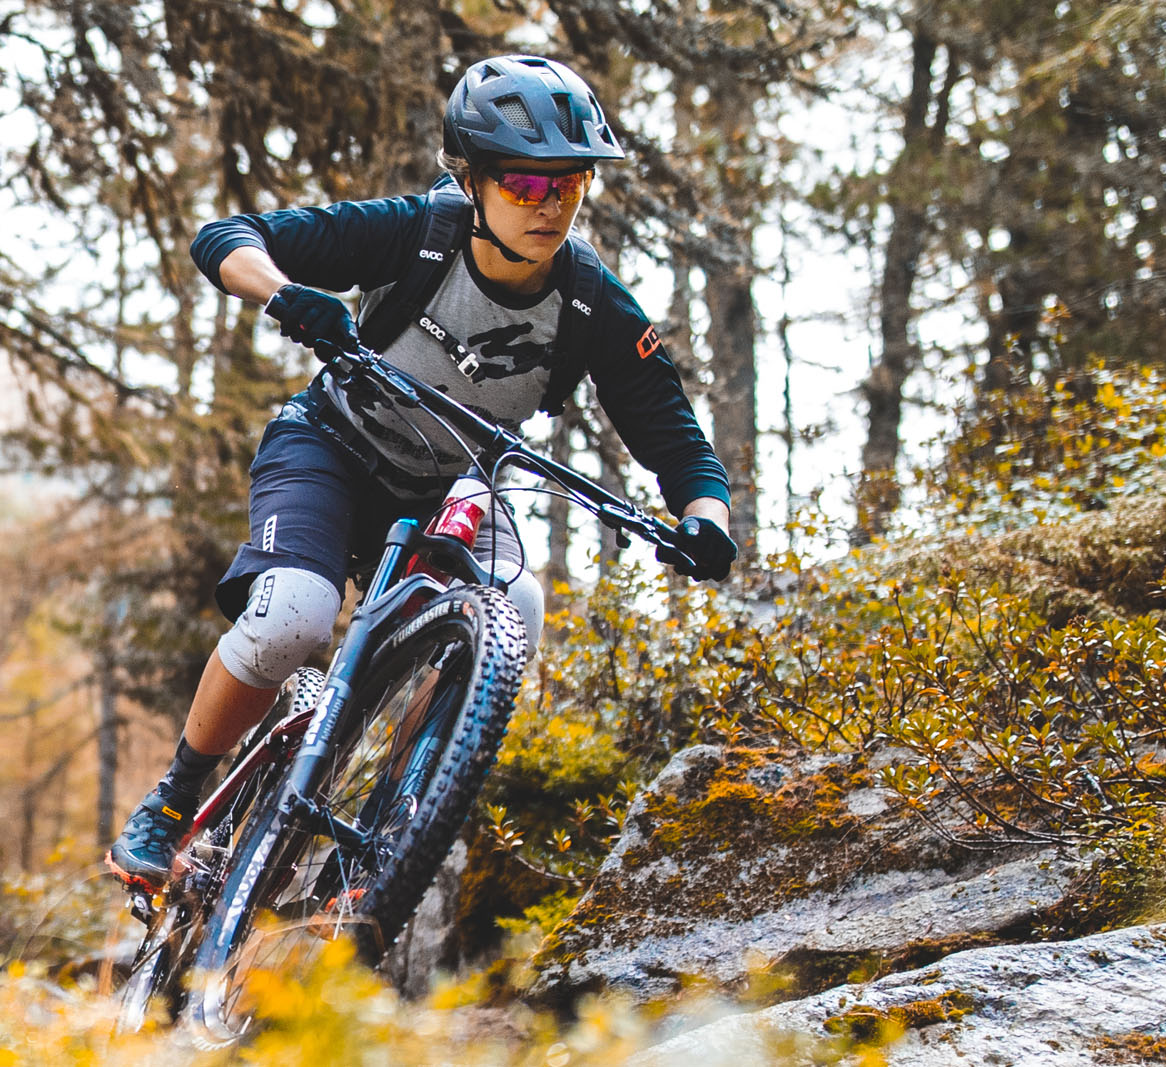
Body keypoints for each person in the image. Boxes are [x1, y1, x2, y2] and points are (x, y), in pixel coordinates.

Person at [106, 54, 737, 890]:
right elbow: (225, 237)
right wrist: (287, 295)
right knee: (293, 616)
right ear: (472, 180)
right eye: (524, 183)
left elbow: (680, 445)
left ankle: (395, 822)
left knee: (515, 602)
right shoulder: (418, 232)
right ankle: (175, 799)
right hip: (332, 448)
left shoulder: (592, 304)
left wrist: (708, 521)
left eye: (570, 184)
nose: (549, 206)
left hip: (456, 482)